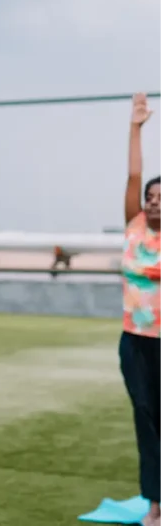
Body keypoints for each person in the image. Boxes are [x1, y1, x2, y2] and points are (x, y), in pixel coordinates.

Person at [121, 91, 161, 526]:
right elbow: (133, 174)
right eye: (150, 195)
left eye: (160, 196)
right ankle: (155, 504)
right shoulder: (134, 226)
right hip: (135, 344)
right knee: (147, 422)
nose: (153, 200)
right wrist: (136, 127)